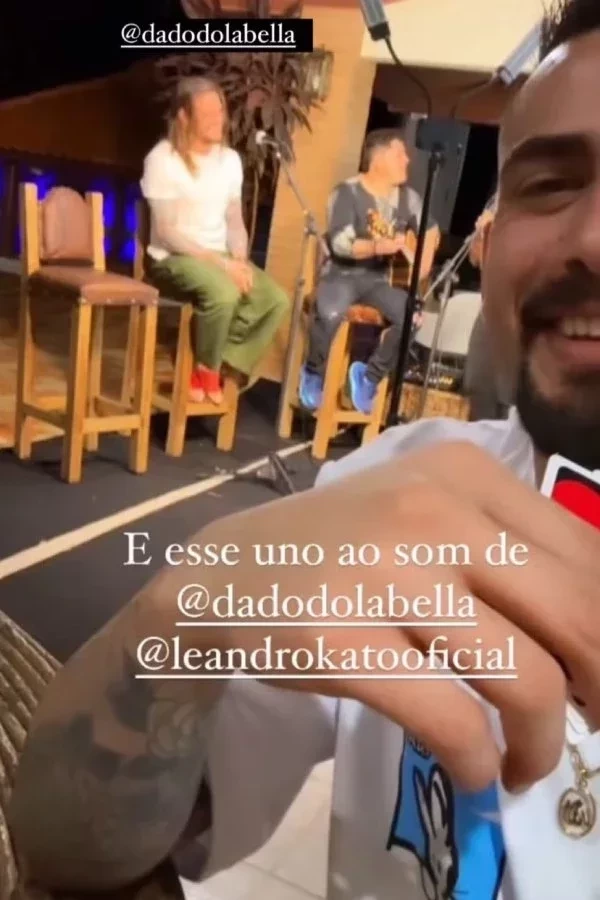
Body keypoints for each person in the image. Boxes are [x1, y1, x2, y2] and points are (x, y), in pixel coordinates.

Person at [9, 1, 600, 898]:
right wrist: (186, 604)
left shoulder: (308, 181)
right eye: (552, 183)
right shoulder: (394, 490)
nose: (592, 239)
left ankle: (269, 379)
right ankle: (245, 379)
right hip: (196, 264)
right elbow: (60, 851)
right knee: (272, 298)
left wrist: (260, 258)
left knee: (285, 299)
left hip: (285, 270)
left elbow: (244, 232)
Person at [140, 76, 289, 404]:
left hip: (220, 256)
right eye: (207, 114)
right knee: (223, 292)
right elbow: (166, 232)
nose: (217, 120)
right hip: (174, 258)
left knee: (275, 299)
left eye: (219, 111)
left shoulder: (230, 161)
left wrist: (239, 260)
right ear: (184, 117)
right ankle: (206, 368)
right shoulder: (163, 159)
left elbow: (234, 219)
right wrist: (223, 265)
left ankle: (223, 361)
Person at [300, 128, 440, 414]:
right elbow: (340, 243)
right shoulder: (346, 192)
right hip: (341, 274)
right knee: (330, 312)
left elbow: (432, 230)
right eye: (399, 154)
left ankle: (369, 376)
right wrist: (378, 247)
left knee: (412, 316)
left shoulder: (408, 199)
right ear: (379, 158)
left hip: (378, 280)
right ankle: (313, 371)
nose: (407, 160)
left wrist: (423, 263)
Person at [463, 194, 512, 420]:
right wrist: (483, 235)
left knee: (509, 407)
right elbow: (474, 258)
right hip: (491, 312)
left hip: (527, 319)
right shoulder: (499, 199)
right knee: (478, 389)